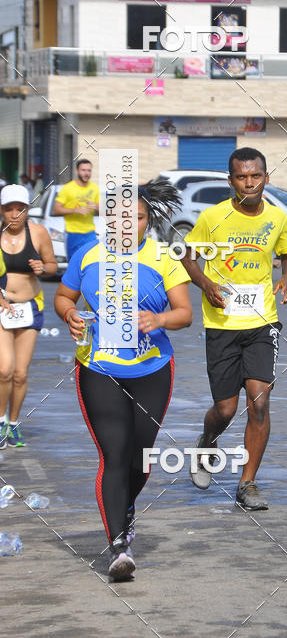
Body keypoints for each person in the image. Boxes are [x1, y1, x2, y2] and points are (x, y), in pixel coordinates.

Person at [54, 179, 192, 582]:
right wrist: (70, 314)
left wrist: (160, 319)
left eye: (139, 218)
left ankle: (124, 507)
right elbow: (64, 297)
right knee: (114, 454)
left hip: (151, 368)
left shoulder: (164, 258)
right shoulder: (88, 255)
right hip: (98, 368)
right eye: (121, 217)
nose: (129, 224)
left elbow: (184, 313)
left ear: (149, 222)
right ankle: (118, 545)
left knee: (142, 456)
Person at [182, 147, 287, 512]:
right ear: (230, 181)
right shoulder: (213, 217)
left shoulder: (278, 218)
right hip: (221, 324)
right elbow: (188, 254)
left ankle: (247, 483)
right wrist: (205, 284)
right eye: (242, 177)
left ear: (266, 177)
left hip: (262, 321)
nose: (250, 183)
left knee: (259, 403)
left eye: (256, 176)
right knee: (226, 408)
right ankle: (206, 441)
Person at [0, 184, 58, 449]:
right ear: (1, 211)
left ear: (27, 210)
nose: (14, 214)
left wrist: (42, 267)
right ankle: (1, 420)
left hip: (29, 307)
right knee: (4, 370)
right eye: (8, 209)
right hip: (2, 307)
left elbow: (53, 266)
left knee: (20, 374)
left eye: (19, 209)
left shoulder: (38, 233)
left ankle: (13, 424)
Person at [53, 159, 99, 261]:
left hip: (90, 233)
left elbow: (102, 211)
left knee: (91, 263)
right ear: (77, 171)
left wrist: (96, 206)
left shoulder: (95, 188)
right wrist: (75, 210)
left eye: (89, 170)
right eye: (83, 170)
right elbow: (56, 209)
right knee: (74, 264)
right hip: (73, 234)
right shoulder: (67, 188)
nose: (86, 173)